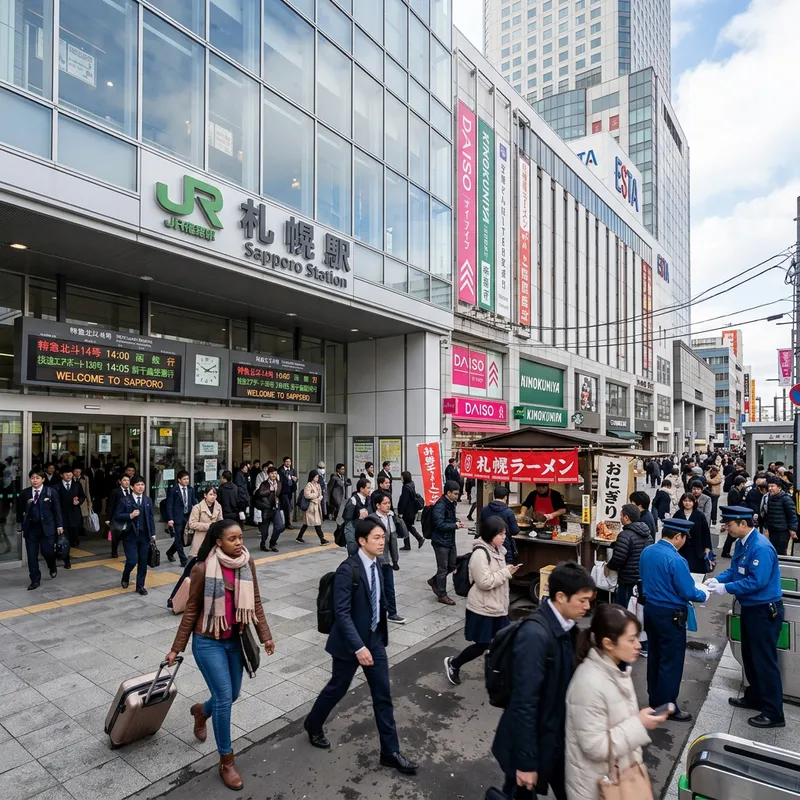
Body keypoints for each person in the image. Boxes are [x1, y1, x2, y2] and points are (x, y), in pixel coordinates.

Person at [166, 519, 275, 790]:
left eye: (240, 538)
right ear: (218, 542)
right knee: (225, 698)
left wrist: (266, 636)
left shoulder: (247, 565)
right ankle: (226, 761)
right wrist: (175, 648)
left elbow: (256, 603)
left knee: (233, 693)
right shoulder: (203, 569)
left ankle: (201, 712)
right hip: (207, 642)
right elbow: (191, 611)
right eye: (232, 539)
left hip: (235, 641)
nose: (239, 543)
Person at [303, 519, 418, 775]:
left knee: (382, 695)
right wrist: (358, 647)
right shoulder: (348, 569)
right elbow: (342, 613)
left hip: (374, 641)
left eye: (383, 537)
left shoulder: (378, 563)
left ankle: (390, 752)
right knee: (337, 688)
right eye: (377, 537)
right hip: (349, 645)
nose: (382, 541)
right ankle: (313, 723)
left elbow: (379, 598)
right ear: (362, 541)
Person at [491, 562, 596, 800]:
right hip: (532, 743)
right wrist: (526, 762)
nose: (587, 607)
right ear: (560, 596)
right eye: (582, 600)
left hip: (555, 738)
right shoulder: (535, 637)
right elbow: (524, 702)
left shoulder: (567, 627)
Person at [565, 604, 667, 800]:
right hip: (597, 788)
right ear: (608, 643)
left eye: (637, 637)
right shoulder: (588, 683)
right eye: (631, 640)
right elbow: (595, 747)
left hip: (621, 778)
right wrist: (639, 724)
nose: (638, 645)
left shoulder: (617, 670)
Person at [706, 506, 784, 728]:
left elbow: (756, 581)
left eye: (729, 524)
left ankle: (773, 711)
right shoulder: (743, 543)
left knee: (764, 660)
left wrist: (726, 588)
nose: (726, 528)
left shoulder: (761, 547)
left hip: (764, 610)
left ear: (742, 523)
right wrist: (717, 581)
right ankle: (755, 696)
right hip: (750, 608)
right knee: (750, 656)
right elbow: (734, 570)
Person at [639, 517, 710, 721]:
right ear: (677, 536)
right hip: (670, 614)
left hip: (651, 609)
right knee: (671, 661)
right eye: (684, 538)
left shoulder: (648, 551)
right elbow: (688, 591)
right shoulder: (676, 560)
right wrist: (703, 594)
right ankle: (668, 706)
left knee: (655, 656)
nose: (685, 541)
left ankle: (655, 700)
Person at [444, 516, 519, 685]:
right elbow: (484, 582)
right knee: (482, 645)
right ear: (490, 534)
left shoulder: (499, 550)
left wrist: (508, 570)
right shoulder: (480, 553)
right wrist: (506, 572)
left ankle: (503, 673)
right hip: (483, 608)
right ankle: (454, 664)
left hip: (498, 607)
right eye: (500, 534)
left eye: (505, 533)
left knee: (506, 640)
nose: (504, 537)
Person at [17, 469, 63, 590]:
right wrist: (19, 526)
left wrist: (59, 525)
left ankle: (52, 565)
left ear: (43, 479)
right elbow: (19, 511)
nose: (35, 480)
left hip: (47, 528)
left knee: (47, 552)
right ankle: (35, 580)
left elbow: (57, 510)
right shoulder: (24, 493)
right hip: (31, 529)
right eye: (32, 478)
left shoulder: (51, 492)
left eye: (37, 478)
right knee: (32, 556)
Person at [115, 475, 156, 595]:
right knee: (132, 560)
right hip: (130, 535)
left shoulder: (147, 500)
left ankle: (140, 586)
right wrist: (130, 516)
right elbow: (117, 516)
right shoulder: (125, 500)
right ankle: (125, 575)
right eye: (138, 485)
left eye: (142, 484)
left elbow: (150, 517)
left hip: (144, 536)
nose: (140, 487)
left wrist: (152, 533)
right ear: (132, 487)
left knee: (143, 562)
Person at [606, 504, 653, 609]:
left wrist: (609, 566)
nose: (620, 518)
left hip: (627, 579)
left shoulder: (625, 535)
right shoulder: (648, 534)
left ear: (626, 518)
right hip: (642, 579)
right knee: (636, 609)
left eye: (621, 515)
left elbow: (618, 559)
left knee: (624, 609)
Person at [368, 493, 406, 623]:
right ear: (378, 505)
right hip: (375, 558)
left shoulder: (391, 517)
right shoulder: (371, 519)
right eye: (385, 503)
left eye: (389, 503)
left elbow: (395, 537)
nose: (388, 505)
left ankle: (392, 613)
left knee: (389, 586)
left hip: (387, 558)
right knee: (374, 586)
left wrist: (395, 559)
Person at [426, 481, 464, 606]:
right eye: (455, 494)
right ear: (448, 493)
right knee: (443, 568)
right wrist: (454, 525)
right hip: (440, 541)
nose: (457, 496)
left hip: (449, 540)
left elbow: (449, 519)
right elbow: (439, 524)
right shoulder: (440, 505)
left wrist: (456, 521)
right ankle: (442, 594)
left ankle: (434, 580)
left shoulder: (451, 503)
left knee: (452, 565)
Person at [672, 492, 713, 574]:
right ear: (681, 502)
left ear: (694, 502)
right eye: (685, 500)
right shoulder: (678, 514)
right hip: (681, 548)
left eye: (690, 501)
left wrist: (707, 547)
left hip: (697, 548)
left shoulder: (700, 515)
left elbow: (705, 532)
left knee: (695, 571)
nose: (687, 503)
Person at [479, 485, 519, 563]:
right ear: (505, 497)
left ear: (494, 495)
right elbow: (515, 531)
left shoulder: (484, 509)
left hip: (487, 544)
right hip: (504, 545)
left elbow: (481, 527)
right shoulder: (508, 512)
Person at [761, 475, 797, 555]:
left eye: (772, 486)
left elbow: (792, 516)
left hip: (782, 532)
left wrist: (792, 529)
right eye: (769, 486)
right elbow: (767, 516)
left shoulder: (786, 499)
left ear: (779, 488)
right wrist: (766, 528)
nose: (770, 488)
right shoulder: (769, 498)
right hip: (771, 530)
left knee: (780, 553)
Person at [166, 471, 195, 567]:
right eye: (184, 479)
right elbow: (169, 505)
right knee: (178, 539)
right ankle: (183, 560)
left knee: (183, 539)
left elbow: (194, 503)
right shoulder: (173, 490)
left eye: (187, 479)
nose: (186, 481)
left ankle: (170, 552)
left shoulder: (190, 489)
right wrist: (170, 518)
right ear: (179, 480)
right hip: (177, 517)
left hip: (187, 516)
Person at [56, 465, 84, 566]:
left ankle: (63, 552)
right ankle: (66, 558)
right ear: (61, 475)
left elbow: (82, 496)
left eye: (70, 474)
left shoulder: (77, 484)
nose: (69, 476)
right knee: (64, 537)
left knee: (73, 538)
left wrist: (78, 502)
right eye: (66, 474)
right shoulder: (57, 486)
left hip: (74, 514)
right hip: (62, 515)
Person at [187, 486, 223, 558]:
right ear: (205, 495)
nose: (213, 497)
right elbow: (191, 524)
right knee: (195, 561)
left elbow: (220, 521)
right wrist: (209, 526)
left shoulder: (218, 506)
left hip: (214, 538)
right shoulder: (197, 507)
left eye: (214, 495)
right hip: (200, 538)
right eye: (210, 494)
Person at [253, 466, 281, 552]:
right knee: (265, 529)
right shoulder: (264, 484)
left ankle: (272, 543)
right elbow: (259, 493)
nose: (274, 475)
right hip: (266, 508)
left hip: (275, 507)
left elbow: (280, 494)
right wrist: (270, 490)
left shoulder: (279, 483)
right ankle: (263, 543)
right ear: (268, 474)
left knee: (280, 526)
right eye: (272, 473)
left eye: (275, 473)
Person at [342, 477, 373, 556]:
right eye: (368, 488)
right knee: (353, 552)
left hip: (364, 531)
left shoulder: (369, 500)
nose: (370, 490)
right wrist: (358, 514)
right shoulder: (353, 500)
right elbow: (347, 517)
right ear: (362, 489)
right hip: (353, 530)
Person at [296, 470, 327, 545]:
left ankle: (299, 537)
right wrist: (315, 496)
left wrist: (318, 498)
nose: (317, 478)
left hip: (316, 506)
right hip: (310, 507)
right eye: (316, 477)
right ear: (312, 477)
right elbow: (307, 495)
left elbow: (320, 495)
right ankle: (322, 539)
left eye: (317, 477)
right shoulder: (309, 485)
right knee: (316, 523)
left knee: (307, 523)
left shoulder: (318, 485)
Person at [721, 475, 748, 557]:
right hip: (733, 514)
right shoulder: (734, 491)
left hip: (735, 514)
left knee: (732, 535)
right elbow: (734, 503)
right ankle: (725, 552)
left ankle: (726, 551)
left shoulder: (737, 490)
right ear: (741, 483)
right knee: (731, 535)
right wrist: (742, 501)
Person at [397, 471, 424, 549]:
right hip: (412, 510)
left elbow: (404, 501)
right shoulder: (412, 484)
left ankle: (419, 539)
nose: (401, 479)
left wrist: (401, 512)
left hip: (407, 511)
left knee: (407, 527)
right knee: (407, 527)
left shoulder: (405, 487)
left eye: (401, 477)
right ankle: (408, 544)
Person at [107, 474, 132, 559]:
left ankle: (128, 551)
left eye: (128, 480)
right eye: (124, 480)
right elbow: (111, 505)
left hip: (129, 516)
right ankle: (114, 551)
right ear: (120, 481)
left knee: (128, 535)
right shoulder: (115, 491)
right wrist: (108, 518)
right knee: (116, 535)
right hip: (118, 516)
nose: (126, 482)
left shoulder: (132, 491)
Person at [278, 456, 298, 531]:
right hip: (283, 492)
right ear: (284, 462)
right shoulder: (280, 470)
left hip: (290, 491)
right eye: (287, 462)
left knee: (286, 507)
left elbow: (295, 479)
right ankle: (289, 523)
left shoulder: (292, 470)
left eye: (289, 462)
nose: (288, 463)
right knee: (288, 507)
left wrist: (295, 480)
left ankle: (286, 523)